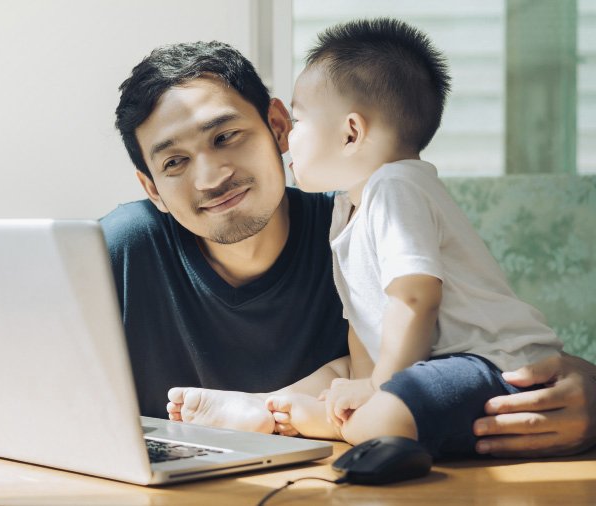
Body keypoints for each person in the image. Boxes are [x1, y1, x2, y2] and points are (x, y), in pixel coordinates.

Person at [104, 39, 596, 457]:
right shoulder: (118, 251)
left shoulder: (361, 220)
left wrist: (589, 394)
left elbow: (485, 343)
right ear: (152, 189)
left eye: (226, 136)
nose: (212, 176)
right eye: (174, 163)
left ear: (279, 127)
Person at [261, 18, 568, 458]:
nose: (287, 137)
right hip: (444, 370)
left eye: (298, 117)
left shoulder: (395, 186)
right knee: (381, 407)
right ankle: (364, 425)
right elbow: (363, 325)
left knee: (387, 414)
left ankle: (344, 427)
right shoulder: (347, 211)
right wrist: (367, 386)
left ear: (351, 132)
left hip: (500, 365)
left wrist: (379, 388)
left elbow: (415, 299)